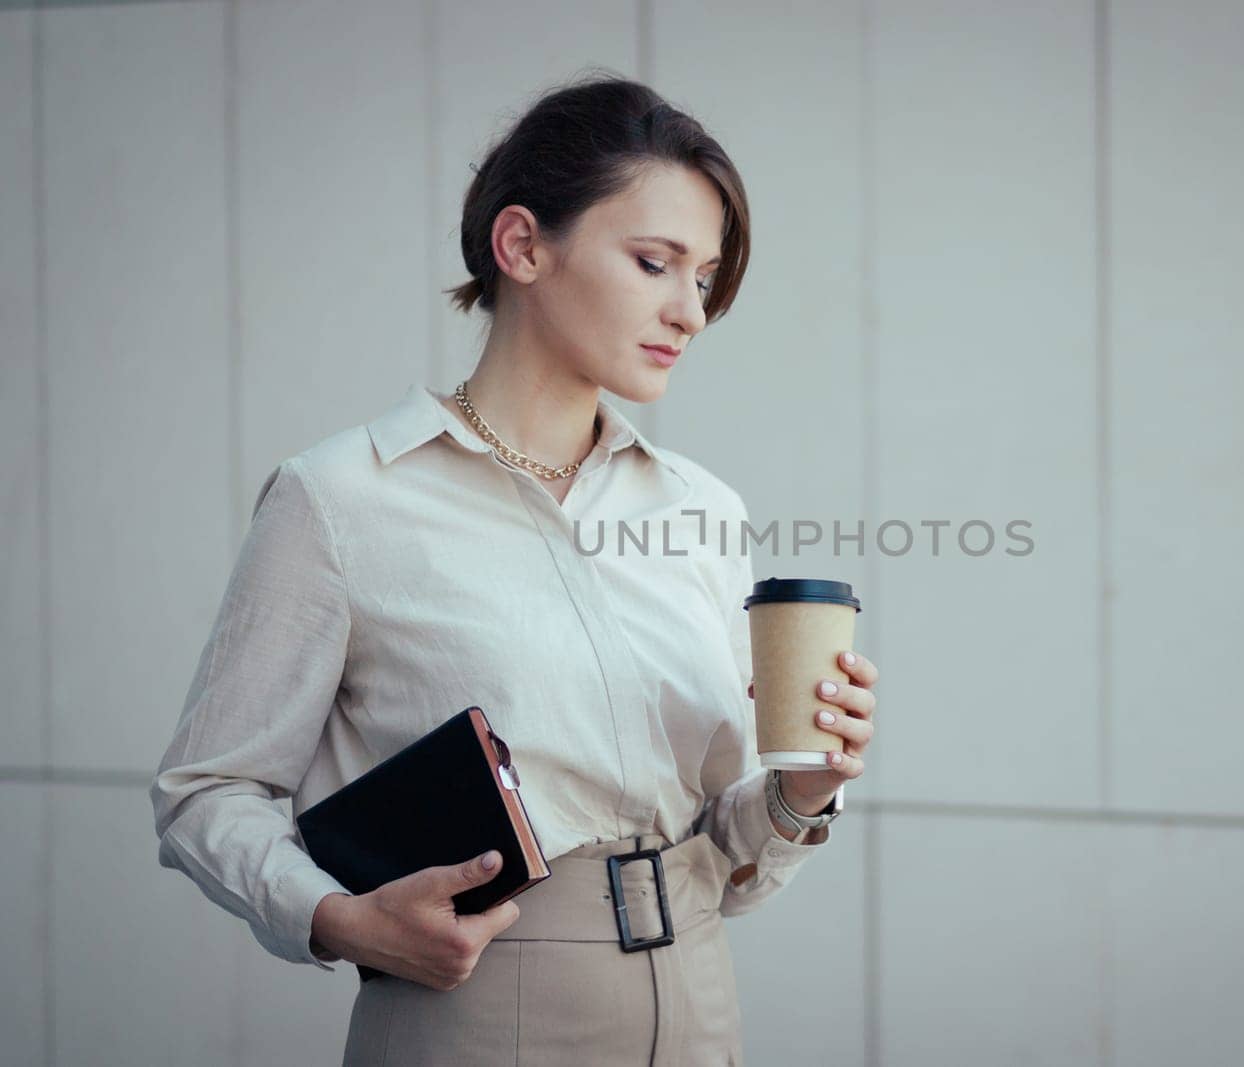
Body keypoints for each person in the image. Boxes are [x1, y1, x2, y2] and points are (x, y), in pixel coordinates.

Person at [148, 71, 880, 1065]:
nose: (690, 311)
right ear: (523, 243)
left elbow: (728, 850)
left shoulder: (701, 510)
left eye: (703, 277)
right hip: (480, 1007)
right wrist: (337, 915)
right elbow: (208, 789)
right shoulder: (341, 498)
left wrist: (804, 786)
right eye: (655, 262)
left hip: (700, 1002)